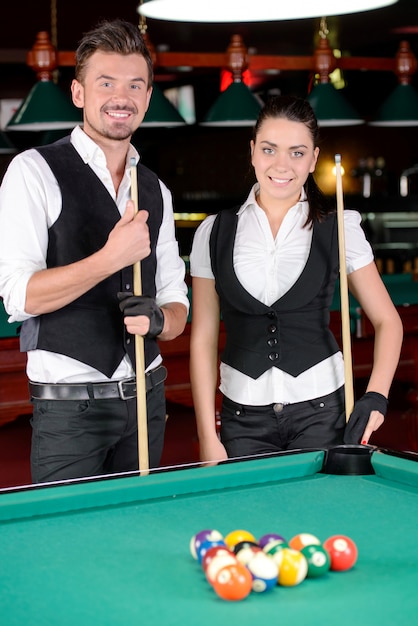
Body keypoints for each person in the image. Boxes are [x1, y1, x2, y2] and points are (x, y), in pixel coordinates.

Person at [0, 19, 189, 483]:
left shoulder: (155, 189)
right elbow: (20, 297)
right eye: (106, 83)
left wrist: (163, 319)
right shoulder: (33, 171)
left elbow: (177, 300)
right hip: (71, 410)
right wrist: (110, 258)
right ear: (79, 93)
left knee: (139, 540)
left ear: (146, 98)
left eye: (134, 85)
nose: (121, 97)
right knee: (64, 545)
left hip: (148, 398)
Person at [189, 95, 403, 464]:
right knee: (250, 522)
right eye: (270, 150)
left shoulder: (339, 226)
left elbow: (388, 321)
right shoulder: (213, 232)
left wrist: (376, 396)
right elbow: (204, 338)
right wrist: (207, 434)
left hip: (323, 413)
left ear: (314, 158)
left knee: (321, 521)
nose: (282, 165)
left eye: (297, 152)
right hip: (242, 419)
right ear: (253, 151)